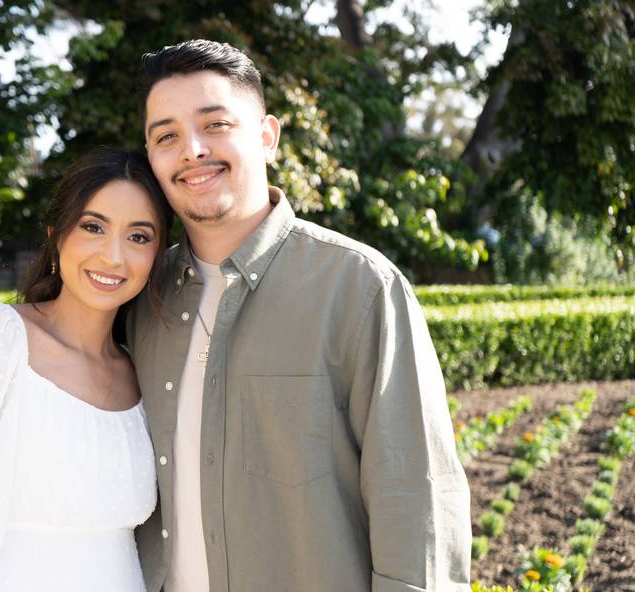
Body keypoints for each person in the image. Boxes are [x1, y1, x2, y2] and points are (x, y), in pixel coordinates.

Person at [128, 39, 471, 592]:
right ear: (152, 157)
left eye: (215, 124)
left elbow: (417, 496)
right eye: (166, 135)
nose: (191, 150)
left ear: (266, 137)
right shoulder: (142, 300)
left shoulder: (359, 287)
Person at [0, 147, 173, 591]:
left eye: (138, 236)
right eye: (93, 227)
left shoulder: (143, 371)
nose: (113, 256)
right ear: (57, 235)